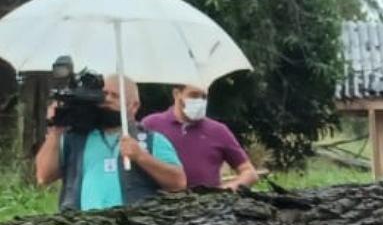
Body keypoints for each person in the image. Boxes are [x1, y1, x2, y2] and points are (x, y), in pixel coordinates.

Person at [34, 75, 186, 211]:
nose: (107, 99)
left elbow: (178, 183)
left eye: (115, 96)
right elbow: (43, 176)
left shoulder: (152, 140)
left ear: (134, 106)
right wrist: (55, 131)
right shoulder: (76, 138)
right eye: (104, 94)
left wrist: (141, 157)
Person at [142, 84, 259, 191]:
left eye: (204, 97)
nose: (199, 101)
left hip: (206, 209)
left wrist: (225, 192)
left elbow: (249, 172)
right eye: (193, 95)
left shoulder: (218, 131)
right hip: (162, 208)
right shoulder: (151, 125)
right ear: (177, 94)